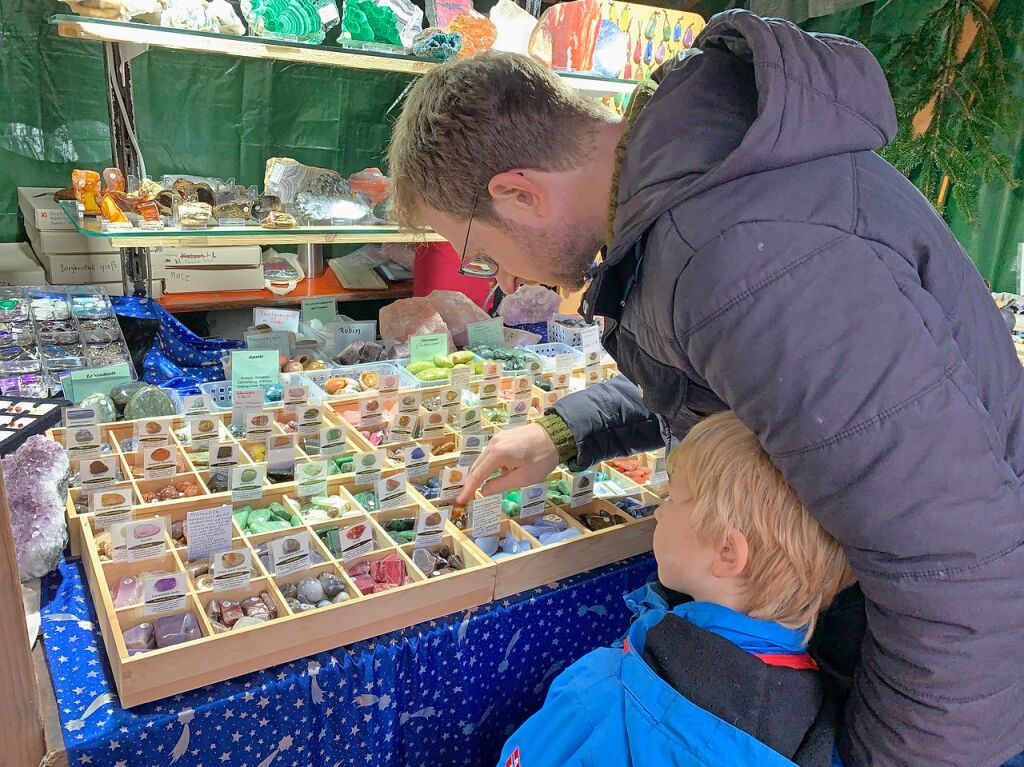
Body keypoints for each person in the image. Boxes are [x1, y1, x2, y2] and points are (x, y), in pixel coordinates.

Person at [387, 10, 1024, 767]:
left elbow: (957, 570)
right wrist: (567, 431)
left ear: (520, 194)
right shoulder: (700, 197)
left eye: (478, 251)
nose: (504, 281)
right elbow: (771, 393)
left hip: (938, 693)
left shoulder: (737, 254)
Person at [496, 412, 852, 767]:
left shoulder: (598, 693)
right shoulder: (825, 720)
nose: (658, 514)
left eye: (671, 497)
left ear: (727, 553)